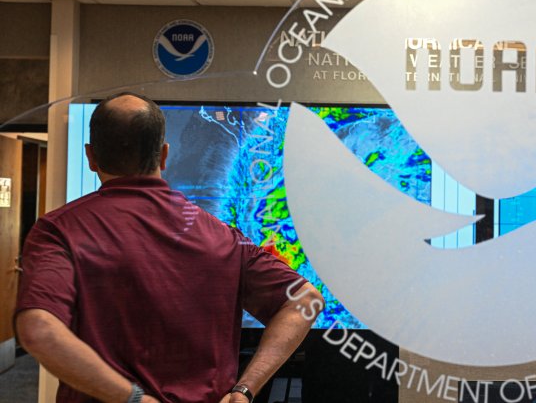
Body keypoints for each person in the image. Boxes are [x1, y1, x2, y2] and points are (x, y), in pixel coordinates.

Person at [15, 92, 323, 403]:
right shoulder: (222, 237)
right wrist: (244, 390)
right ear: (163, 155)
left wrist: (132, 398)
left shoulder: (59, 230)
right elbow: (305, 300)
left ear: (90, 156)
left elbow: (39, 329)